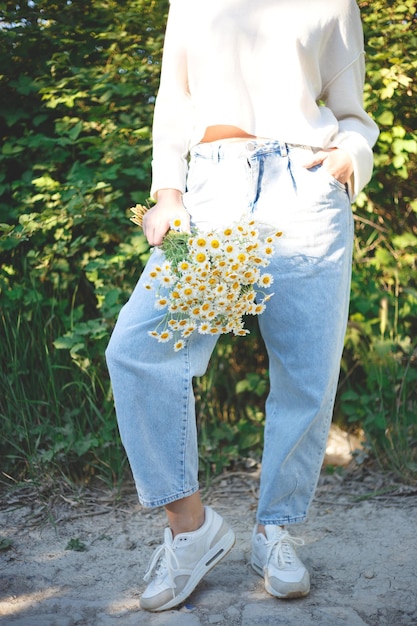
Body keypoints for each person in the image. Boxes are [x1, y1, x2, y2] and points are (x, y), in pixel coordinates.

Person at [106, 0, 379, 613]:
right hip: (214, 194)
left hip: (307, 189)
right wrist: (168, 191)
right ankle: (190, 525)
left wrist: (348, 158)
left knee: (306, 375)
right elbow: (174, 102)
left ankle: (273, 531)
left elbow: (353, 114)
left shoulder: (335, 3)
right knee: (139, 351)